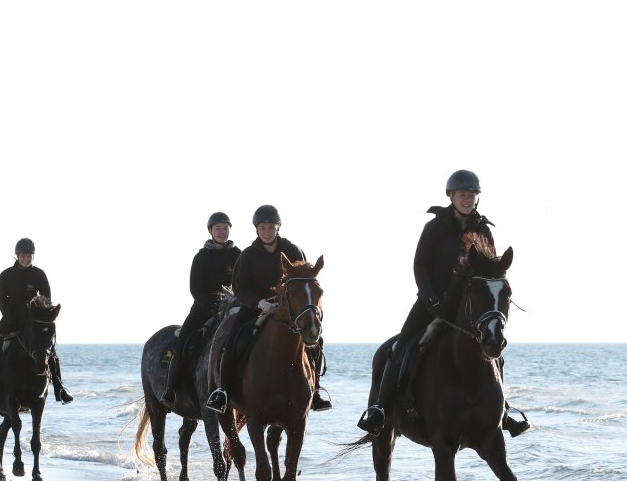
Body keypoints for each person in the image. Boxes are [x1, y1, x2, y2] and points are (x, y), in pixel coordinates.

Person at [356, 170, 529, 437]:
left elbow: (492, 270)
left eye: (471, 195)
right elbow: (420, 267)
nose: (467, 199)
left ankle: (502, 411)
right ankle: (380, 409)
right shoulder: (434, 227)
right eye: (462, 195)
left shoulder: (483, 229)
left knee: (495, 352)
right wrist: (432, 300)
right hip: (432, 302)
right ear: (451, 196)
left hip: (470, 307)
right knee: (400, 348)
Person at [205, 205, 331, 413]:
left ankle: (315, 390)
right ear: (257, 229)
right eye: (263, 228)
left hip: (290, 310)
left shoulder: (293, 250)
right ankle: (224, 392)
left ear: (278, 228)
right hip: (255, 307)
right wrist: (260, 303)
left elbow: (305, 279)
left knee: (315, 340)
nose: (267, 232)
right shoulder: (248, 255)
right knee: (234, 339)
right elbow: (240, 287)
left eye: (271, 227)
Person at [0, 238, 72, 404]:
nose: (26, 259)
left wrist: (41, 315)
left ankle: (59, 388)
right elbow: (1, 298)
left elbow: (46, 298)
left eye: (29, 256)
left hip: (34, 321)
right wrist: (10, 318)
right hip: (10, 318)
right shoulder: (6, 274)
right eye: (23, 256)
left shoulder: (39, 274)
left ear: (33, 256)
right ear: (17, 256)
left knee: (49, 350)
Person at [160, 212, 241, 407]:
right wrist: (212, 306)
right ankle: (170, 389)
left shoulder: (239, 254)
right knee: (183, 341)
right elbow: (195, 289)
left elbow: (243, 282)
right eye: (218, 228)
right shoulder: (201, 257)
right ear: (211, 231)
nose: (222, 232)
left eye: (225, 228)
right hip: (204, 309)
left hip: (233, 307)